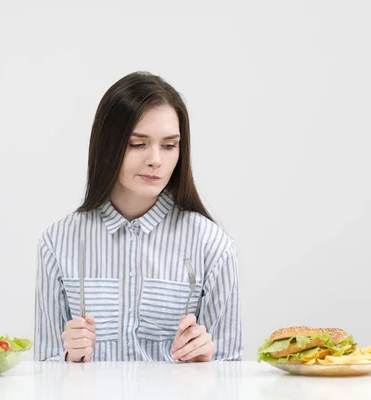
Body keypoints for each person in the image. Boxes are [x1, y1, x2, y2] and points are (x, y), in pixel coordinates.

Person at [34, 71, 242, 362]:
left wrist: (206, 362)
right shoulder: (57, 242)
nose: (155, 159)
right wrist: (68, 359)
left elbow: (231, 372)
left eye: (169, 145)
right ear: (108, 146)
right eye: (137, 143)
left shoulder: (212, 246)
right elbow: (44, 368)